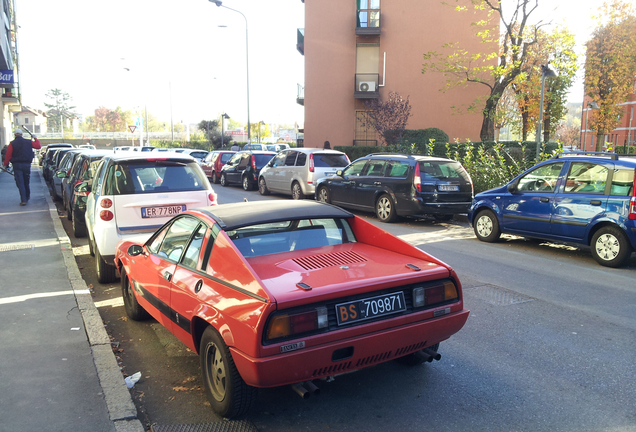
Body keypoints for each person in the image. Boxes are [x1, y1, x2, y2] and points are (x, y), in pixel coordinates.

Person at [3, 128, 41, 206]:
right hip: (27, 165)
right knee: (26, 181)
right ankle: (27, 196)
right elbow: (38, 146)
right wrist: (35, 138)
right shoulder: (28, 142)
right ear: (22, 134)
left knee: (20, 182)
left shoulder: (12, 144)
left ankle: (24, 199)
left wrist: (5, 165)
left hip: (17, 165)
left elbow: (8, 155)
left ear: (14, 135)